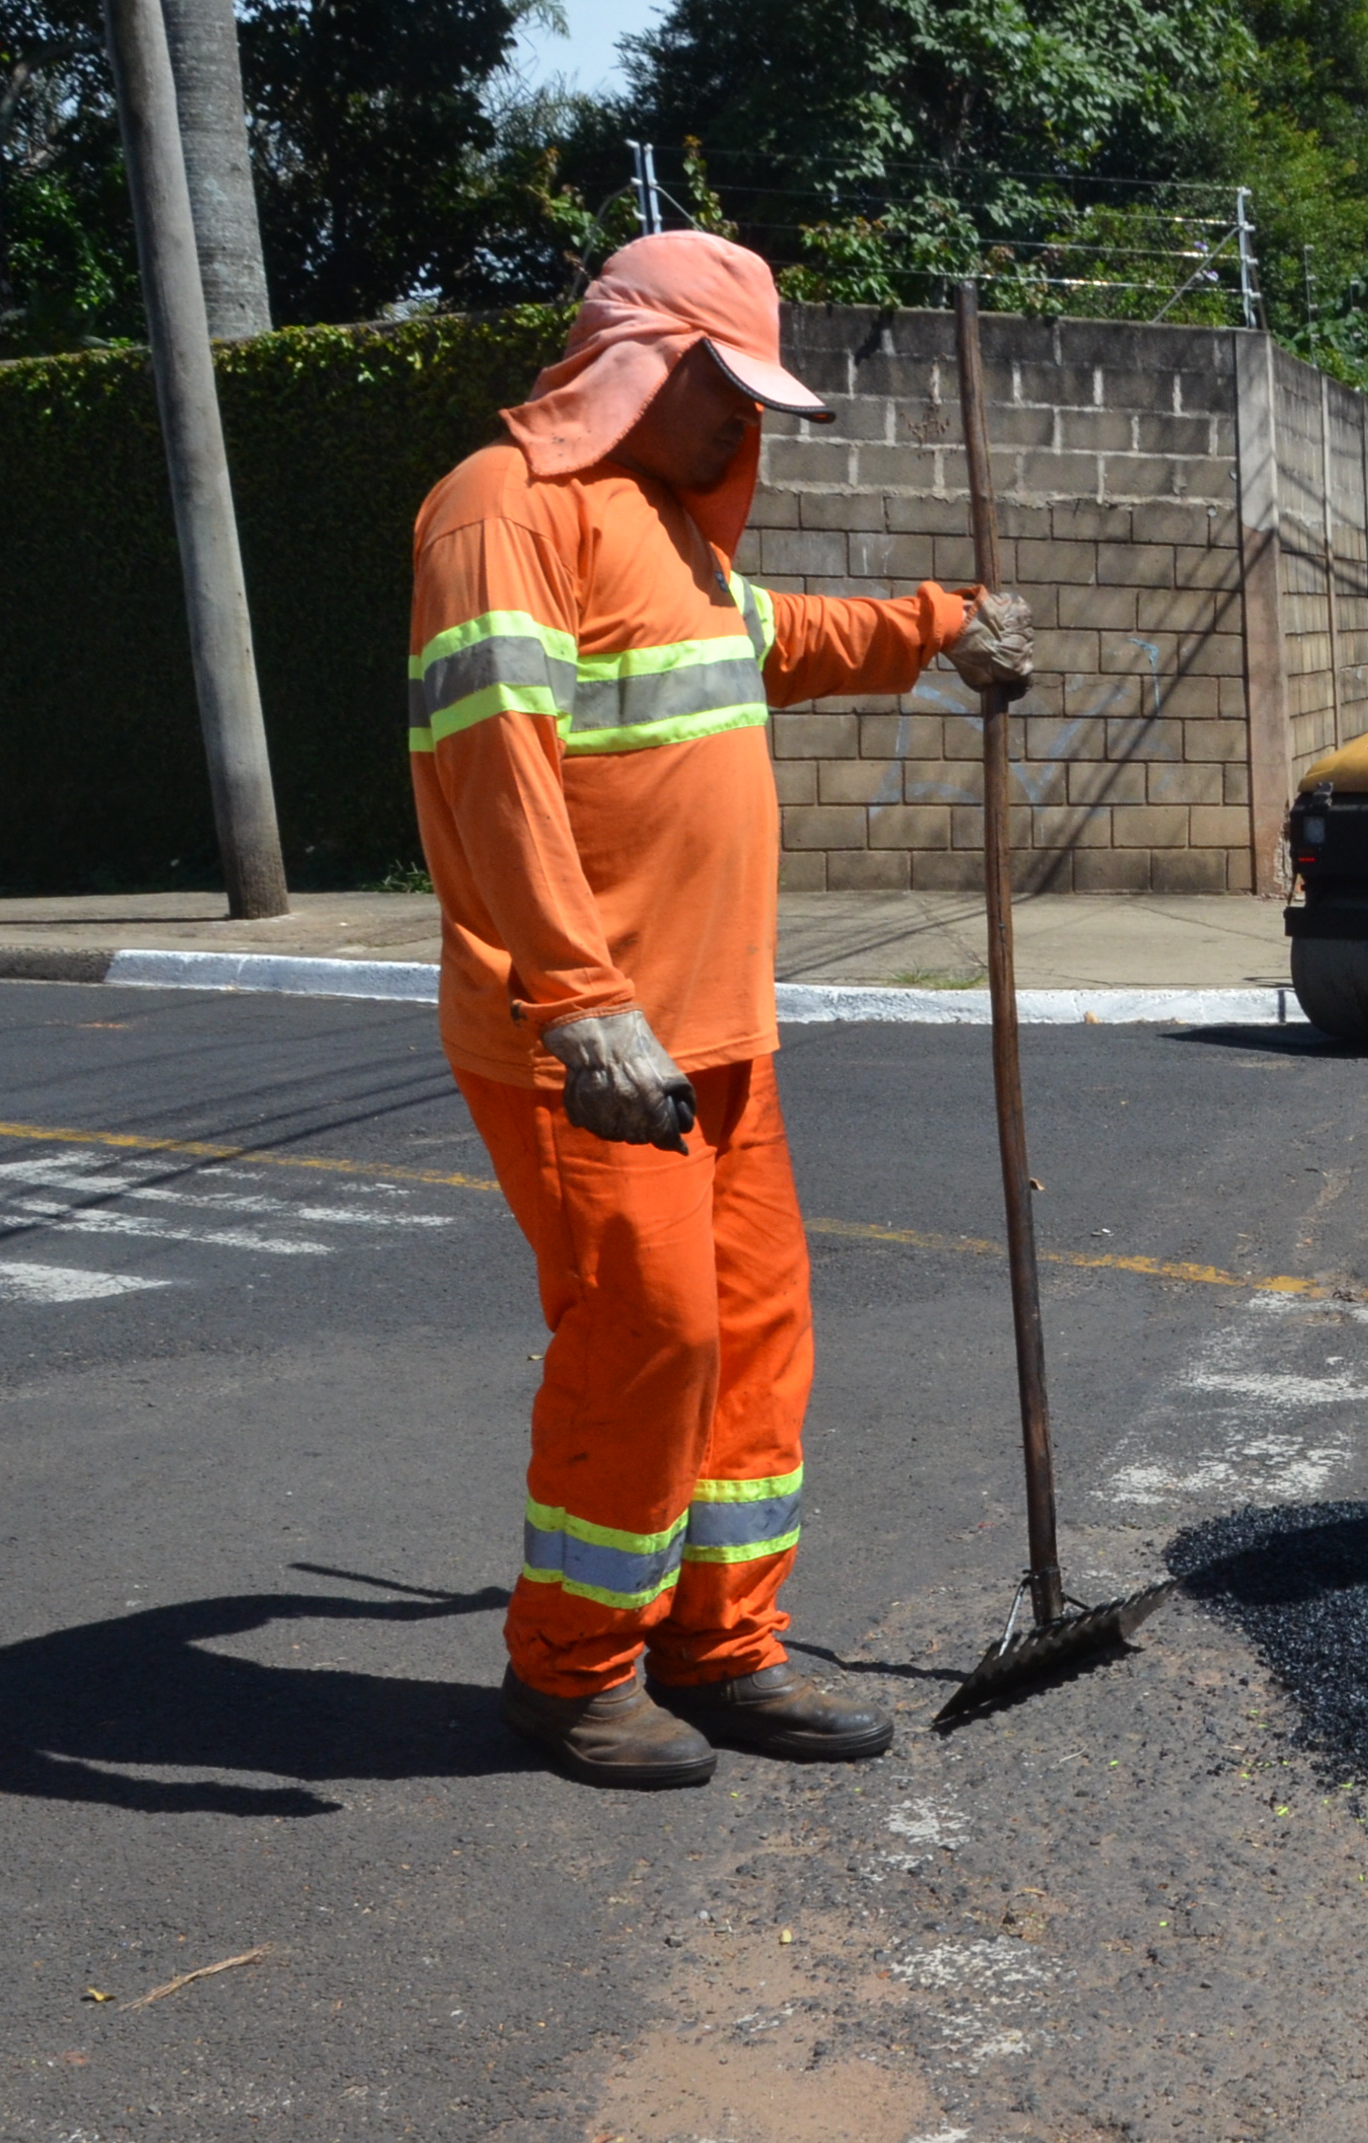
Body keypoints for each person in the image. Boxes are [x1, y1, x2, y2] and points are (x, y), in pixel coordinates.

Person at [406, 230, 1035, 1786]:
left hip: (720, 1035)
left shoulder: (673, 540)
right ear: (644, 363)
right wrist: (578, 1000)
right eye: (728, 390)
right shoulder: (503, 514)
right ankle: (567, 1670)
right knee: (648, 1338)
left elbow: (782, 645)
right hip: (591, 1045)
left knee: (752, 1343)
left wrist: (941, 626)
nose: (747, 426)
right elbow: (494, 773)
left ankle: (719, 1643)